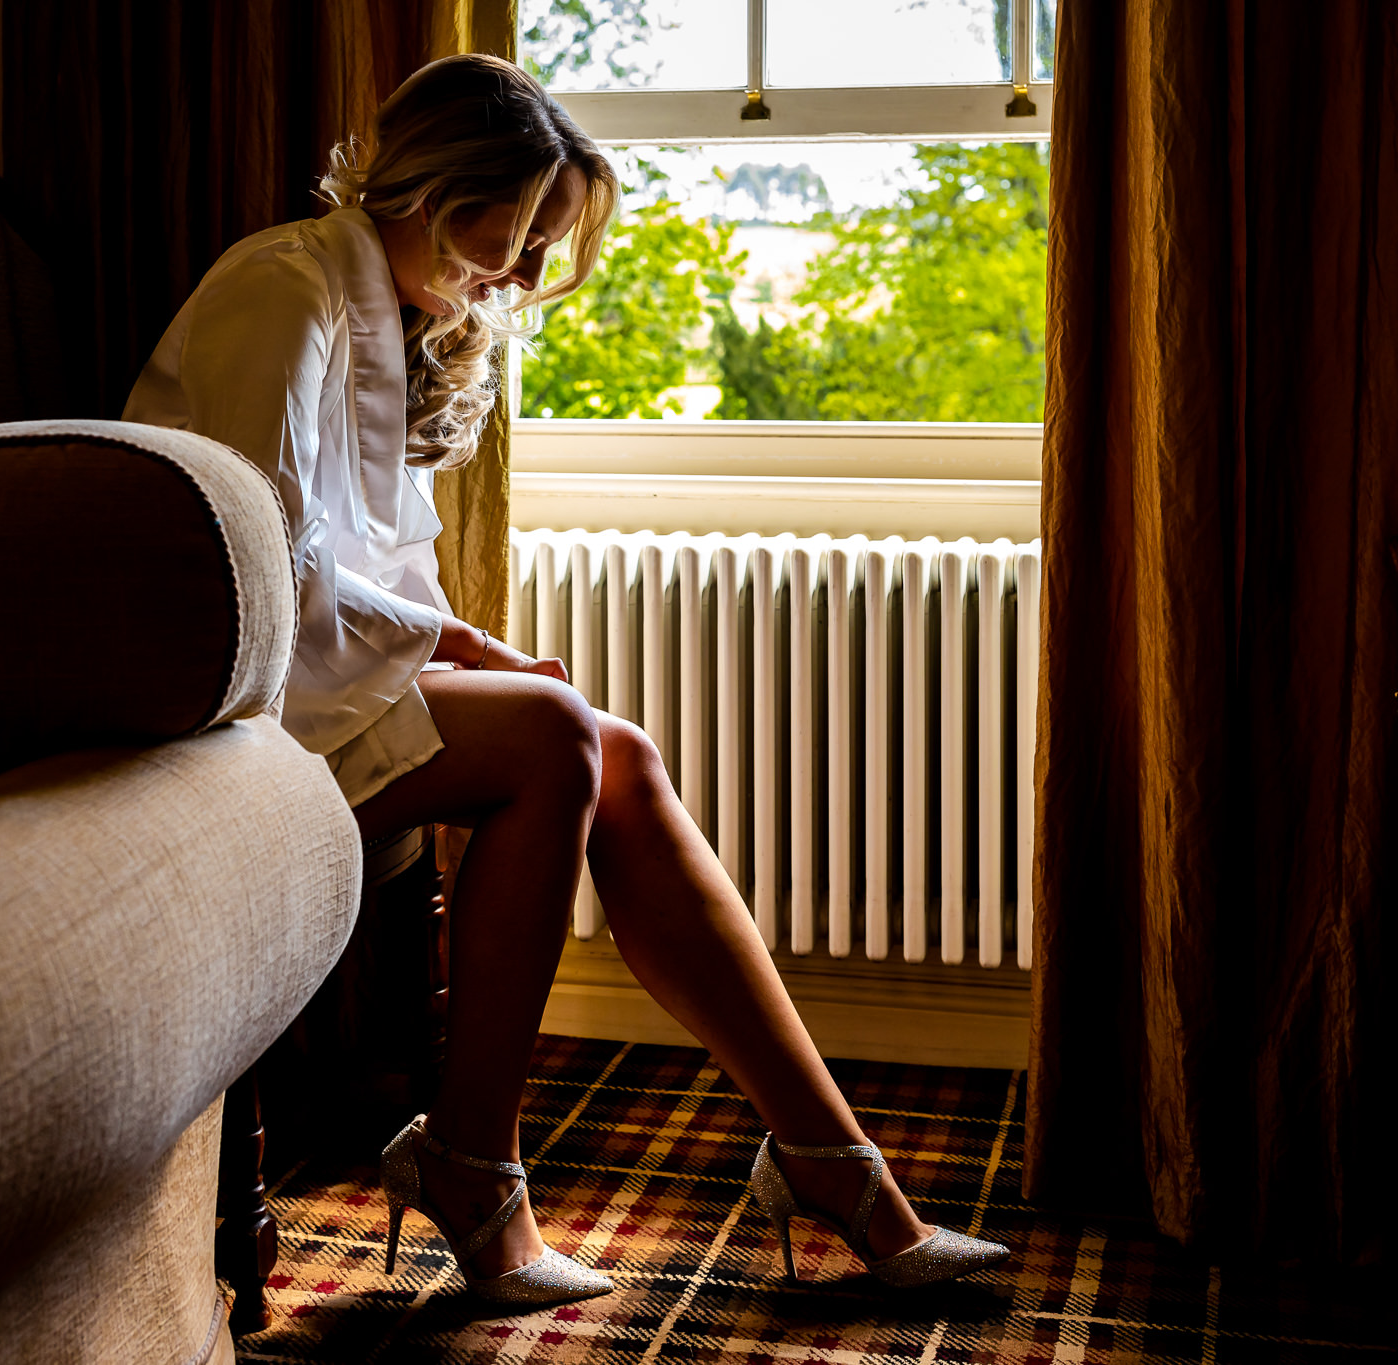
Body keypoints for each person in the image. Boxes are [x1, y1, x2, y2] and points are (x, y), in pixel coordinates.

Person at [124, 52, 1008, 1308]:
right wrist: (458, 651)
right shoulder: (285, 289)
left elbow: (368, 560)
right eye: (523, 230)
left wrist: (456, 642)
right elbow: (259, 553)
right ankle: (481, 1170)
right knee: (552, 733)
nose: (530, 274)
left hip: (314, 684)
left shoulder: (384, 306)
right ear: (434, 191)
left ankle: (831, 1162)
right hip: (234, 703)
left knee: (615, 751)